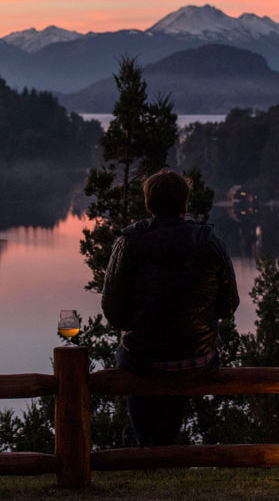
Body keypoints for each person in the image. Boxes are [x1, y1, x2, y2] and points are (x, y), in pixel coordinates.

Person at [102, 168, 239, 446]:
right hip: (197, 358)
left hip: (142, 360)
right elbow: (228, 306)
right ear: (184, 205)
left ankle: (143, 441)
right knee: (168, 408)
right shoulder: (210, 242)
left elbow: (113, 312)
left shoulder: (128, 243)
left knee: (137, 367)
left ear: (149, 206)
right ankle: (154, 442)